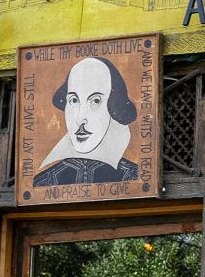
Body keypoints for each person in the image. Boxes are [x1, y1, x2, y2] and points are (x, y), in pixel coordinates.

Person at [34, 56, 140, 186]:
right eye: (73, 100)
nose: (80, 119)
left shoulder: (135, 177)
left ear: (114, 106)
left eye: (95, 101)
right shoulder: (43, 182)